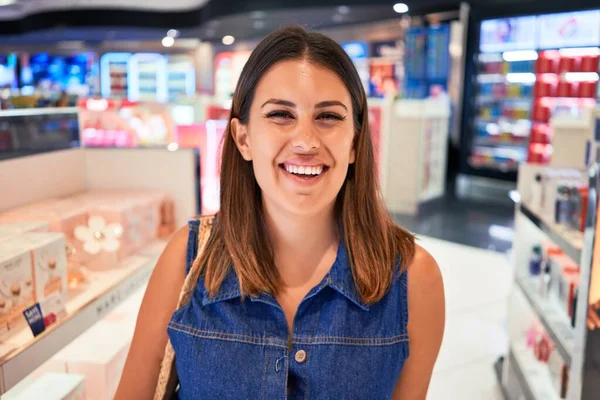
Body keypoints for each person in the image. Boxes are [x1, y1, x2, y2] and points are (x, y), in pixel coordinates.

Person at [115, 25, 444, 400]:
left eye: (329, 117)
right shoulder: (188, 259)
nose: (305, 141)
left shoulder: (415, 279)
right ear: (244, 138)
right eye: (280, 115)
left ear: (355, 141)